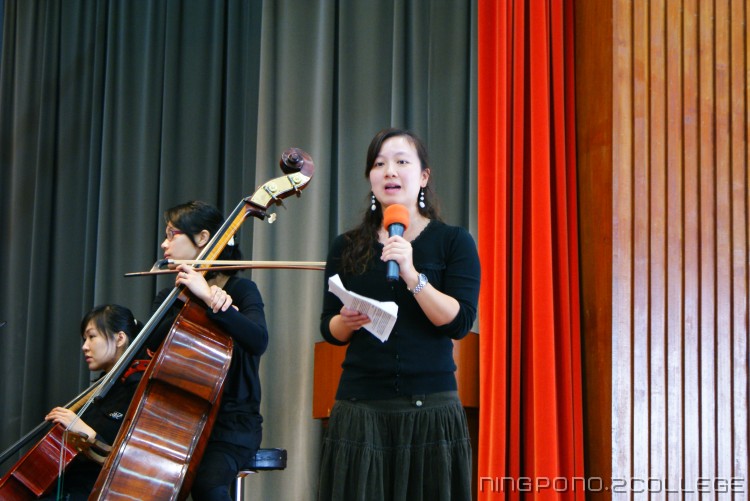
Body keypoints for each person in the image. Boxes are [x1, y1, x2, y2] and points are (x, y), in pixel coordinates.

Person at [317, 128, 481, 500]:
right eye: (379, 164)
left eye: (401, 162)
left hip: (430, 410)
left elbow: (459, 322)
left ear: (423, 177)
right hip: (360, 408)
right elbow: (329, 328)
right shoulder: (345, 245)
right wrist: (346, 320)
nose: (389, 171)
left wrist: (412, 275)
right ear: (370, 177)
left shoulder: (453, 241)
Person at [148, 200, 268, 501]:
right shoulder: (169, 296)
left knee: (208, 485)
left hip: (230, 426)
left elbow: (257, 341)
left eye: (172, 234)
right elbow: (151, 345)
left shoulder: (241, 290)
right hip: (177, 421)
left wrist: (212, 301)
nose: (164, 244)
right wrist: (187, 297)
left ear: (202, 238)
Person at [41, 304, 145, 501]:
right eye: (84, 339)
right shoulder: (100, 389)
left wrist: (86, 432)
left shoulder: (138, 390)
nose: (85, 346)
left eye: (92, 337)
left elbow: (134, 465)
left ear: (120, 338)